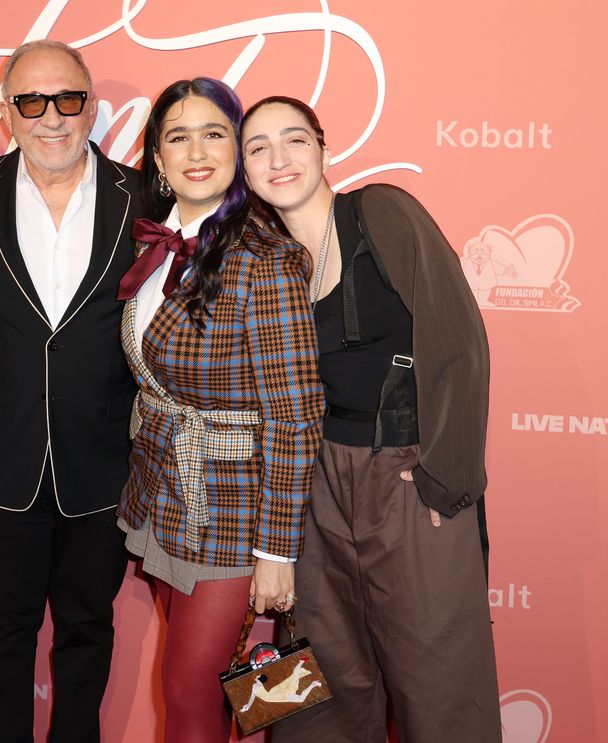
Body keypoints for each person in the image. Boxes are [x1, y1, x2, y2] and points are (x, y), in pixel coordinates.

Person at [240, 95, 500, 742]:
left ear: (324, 149)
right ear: (241, 169)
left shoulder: (383, 211)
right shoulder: (261, 260)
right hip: (311, 488)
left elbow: (460, 342)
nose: (279, 159)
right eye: (258, 147)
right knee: (313, 691)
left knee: (440, 687)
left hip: (409, 477)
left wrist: (447, 475)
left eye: (295, 140)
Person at [0, 41, 142, 743]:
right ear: (6, 113)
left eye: (68, 99)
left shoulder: (145, 196)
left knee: (89, 629)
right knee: (0, 635)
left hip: (105, 463)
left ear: (93, 107)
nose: (51, 117)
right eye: (31, 100)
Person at [115, 78, 324, 743]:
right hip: (163, 496)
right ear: (157, 157)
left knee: (187, 686)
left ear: (238, 148)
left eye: (215, 133)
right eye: (178, 135)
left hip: (236, 511)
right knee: (217, 685)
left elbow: (295, 414)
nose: (197, 150)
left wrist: (275, 551)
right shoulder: (157, 244)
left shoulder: (266, 258)